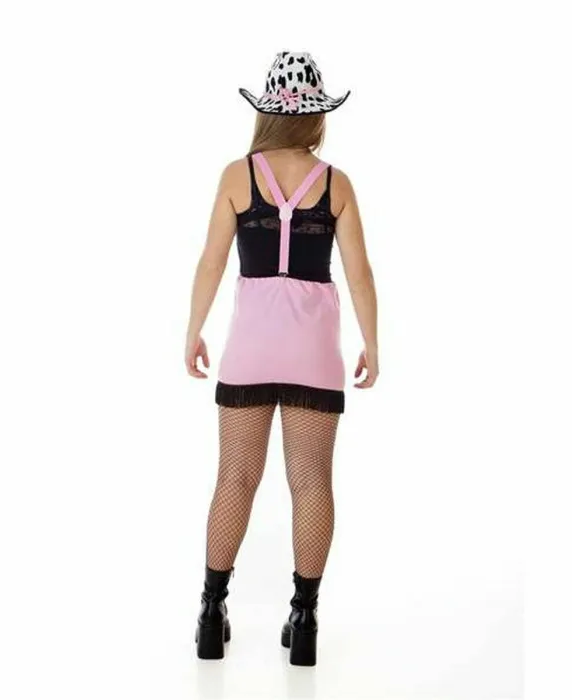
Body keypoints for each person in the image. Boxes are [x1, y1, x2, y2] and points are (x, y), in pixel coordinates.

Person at [185, 52, 378, 666]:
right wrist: (372, 343)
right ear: (316, 115)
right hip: (314, 352)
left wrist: (193, 331)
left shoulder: (237, 176)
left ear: (267, 112)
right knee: (312, 481)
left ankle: (211, 611)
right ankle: (305, 616)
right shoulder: (336, 184)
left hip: (251, 348)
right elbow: (360, 273)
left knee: (235, 477)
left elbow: (212, 261)